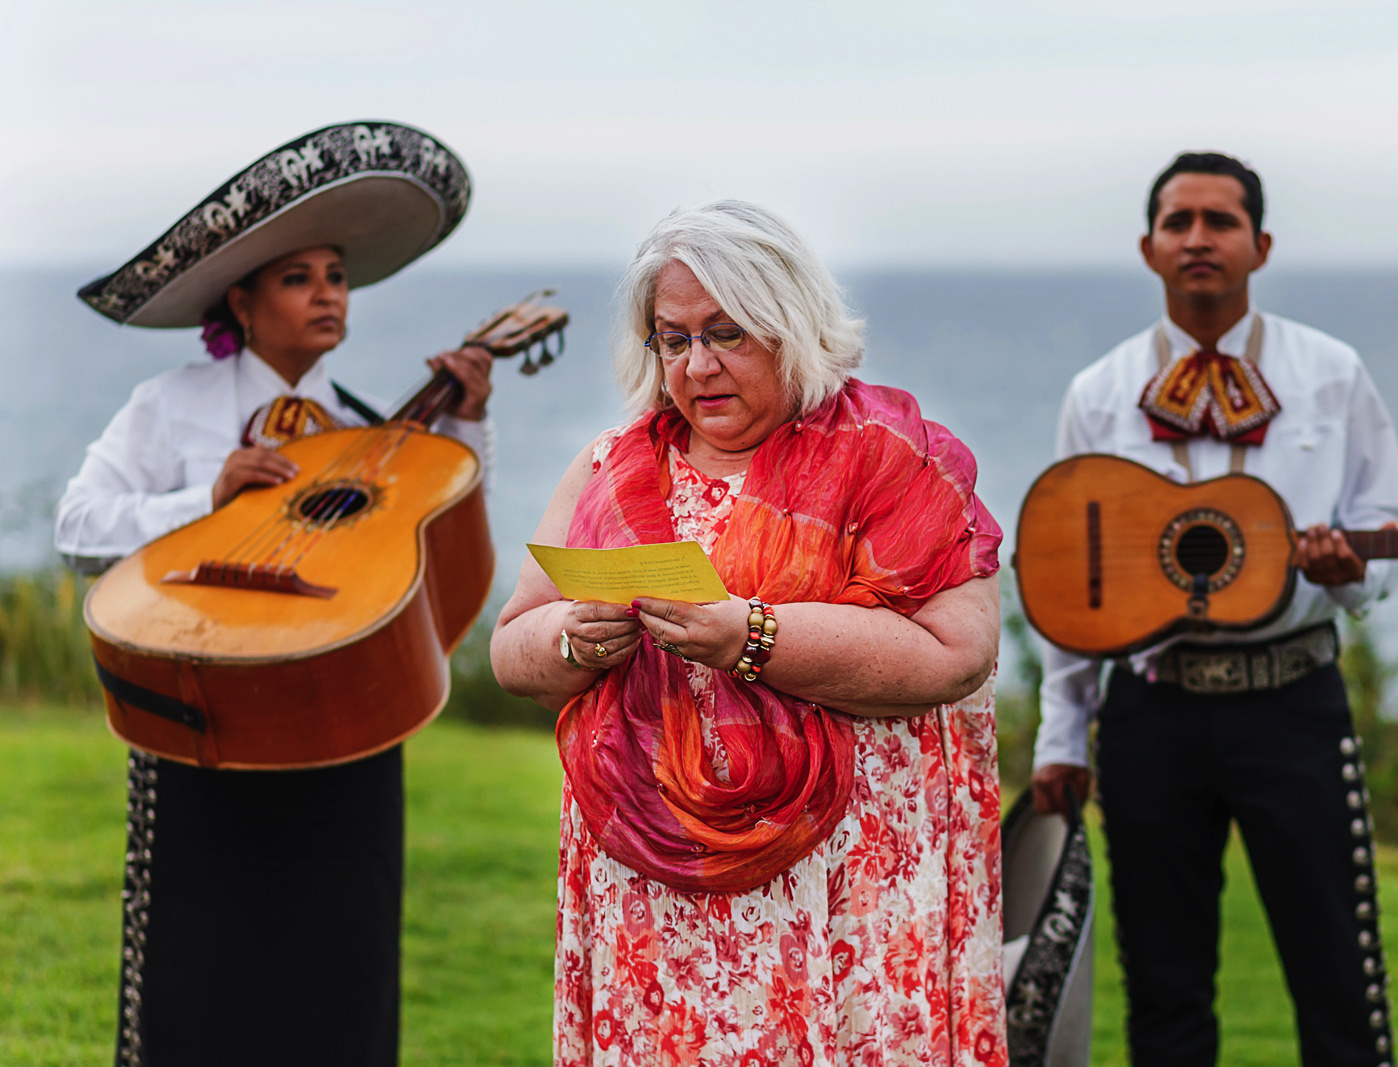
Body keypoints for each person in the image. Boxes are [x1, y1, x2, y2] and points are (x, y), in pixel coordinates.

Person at [491, 200, 1007, 1065]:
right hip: (649, 888)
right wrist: (571, 641)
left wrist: (749, 635)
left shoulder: (892, 458)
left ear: (791, 324)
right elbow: (514, 644)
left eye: (728, 333)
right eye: (673, 337)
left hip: (848, 888)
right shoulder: (612, 464)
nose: (697, 365)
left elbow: (958, 654)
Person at [56, 121, 493, 1067]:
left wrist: (465, 421)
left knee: (344, 972)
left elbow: (441, 555)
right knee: (198, 971)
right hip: (205, 715)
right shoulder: (169, 405)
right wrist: (202, 501)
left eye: (336, 274)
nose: (328, 292)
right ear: (242, 302)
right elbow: (77, 523)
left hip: (345, 724)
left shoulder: (367, 433)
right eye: (299, 277)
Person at [1030, 152, 1398, 1067]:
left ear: (1261, 244)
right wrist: (1061, 734)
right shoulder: (1099, 391)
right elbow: (1067, 574)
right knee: (1164, 994)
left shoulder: (1332, 373)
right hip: (1151, 712)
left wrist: (1348, 567)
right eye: (1179, 222)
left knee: (1340, 980)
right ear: (1149, 247)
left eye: (1221, 220)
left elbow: (1386, 525)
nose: (1198, 238)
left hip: (1294, 706)